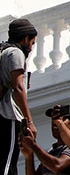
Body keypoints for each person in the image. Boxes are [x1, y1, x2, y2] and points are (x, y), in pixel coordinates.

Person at [1, 19, 38, 175]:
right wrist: (29, 121)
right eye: (32, 42)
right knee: (7, 162)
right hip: (7, 115)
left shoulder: (2, 51)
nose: (31, 47)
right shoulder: (15, 53)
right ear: (25, 39)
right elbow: (18, 87)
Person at [19, 105, 70, 175]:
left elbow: (57, 166)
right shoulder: (52, 152)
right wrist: (29, 156)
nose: (54, 123)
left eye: (60, 119)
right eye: (53, 119)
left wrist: (33, 145)